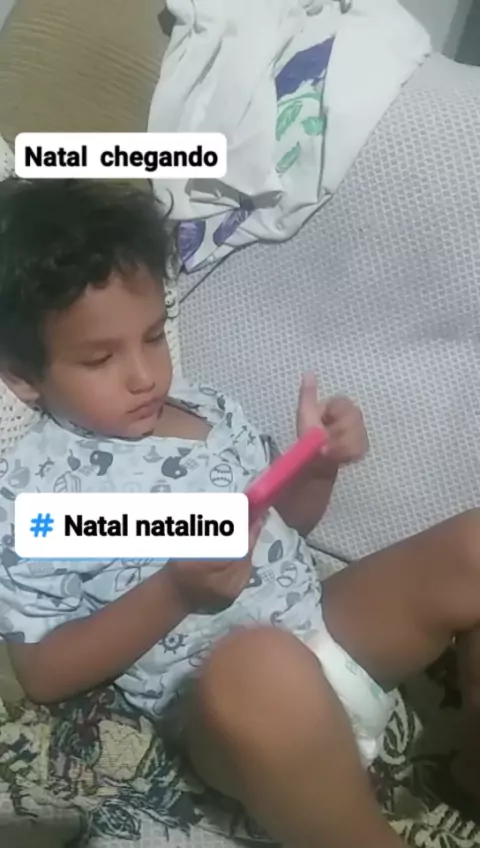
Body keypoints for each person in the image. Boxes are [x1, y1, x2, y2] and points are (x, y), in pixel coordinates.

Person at [0, 178, 478, 848]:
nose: (144, 376)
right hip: (234, 710)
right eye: (101, 358)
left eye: (153, 337)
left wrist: (317, 465)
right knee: (260, 667)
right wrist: (176, 591)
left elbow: (291, 525)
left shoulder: (207, 407)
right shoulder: (40, 493)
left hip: (325, 632)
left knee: (474, 546)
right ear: (24, 376)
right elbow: (42, 671)